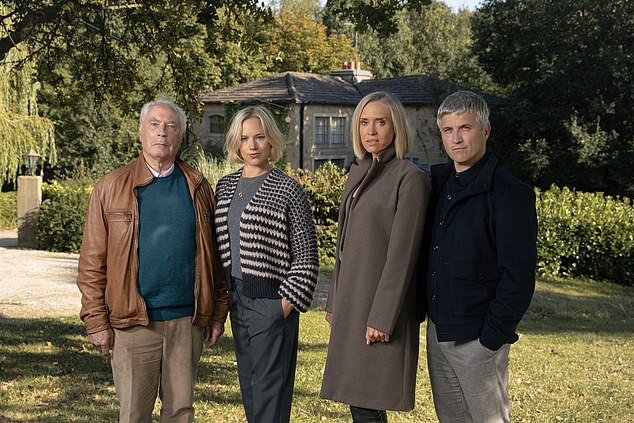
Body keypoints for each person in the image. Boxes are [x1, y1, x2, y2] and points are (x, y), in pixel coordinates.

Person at [76, 99, 228, 423]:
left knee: (181, 414)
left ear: (180, 137)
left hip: (187, 323)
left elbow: (215, 258)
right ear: (140, 133)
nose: (162, 133)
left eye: (171, 127)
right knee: (134, 414)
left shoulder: (199, 188)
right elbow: (91, 263)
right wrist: (95, 320)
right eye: (155, 125)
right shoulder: (110, 187)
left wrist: (216, 313)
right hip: (133, 326)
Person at [420, 90, 537, 422]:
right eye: (448, 130)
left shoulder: (509, 193)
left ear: (485, 130)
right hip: (439, 330)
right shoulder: (438, 182)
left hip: (478, 338)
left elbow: (519, 277)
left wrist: (491, 339)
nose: (456, 139)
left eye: (465, 128)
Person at [320, 91, 431, 422]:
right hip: (352, 303)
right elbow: (343, 248)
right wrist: (334, 302)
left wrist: (382, 317)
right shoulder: (359, 172)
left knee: (368, 401)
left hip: (380, 310)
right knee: (358, 400)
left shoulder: (409, 178)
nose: (371, 131)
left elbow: (403, 255)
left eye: (380, 122)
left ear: (395, 126)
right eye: (364, 123)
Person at [214, 106, 319, 423]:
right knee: (250, 389)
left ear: (271, 141)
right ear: (236, 144)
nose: (253, 145)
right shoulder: (225, 186)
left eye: (259, 137)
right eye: (245, 138)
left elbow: (307, 255)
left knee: (270, 397)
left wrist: (284, 305)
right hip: (237, 302)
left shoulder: (287, 189)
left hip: (272, 302)